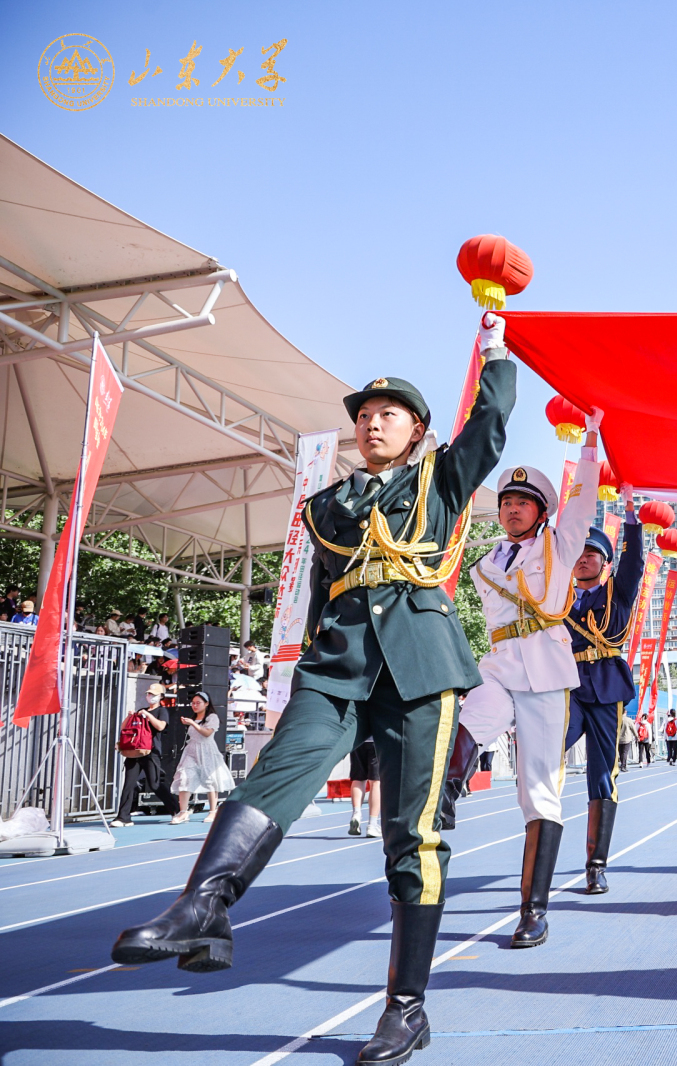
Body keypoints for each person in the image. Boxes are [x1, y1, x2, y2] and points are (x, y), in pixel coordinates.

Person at [113, 313, 516, 1066]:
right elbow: (320, 595)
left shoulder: (439, 480)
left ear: (418, 431)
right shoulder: (326, 506)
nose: (372, 423)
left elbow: (489, 426)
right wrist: (295, 674)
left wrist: (496, 348)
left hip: (421, 669)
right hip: (337, 667)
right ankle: (204, 907)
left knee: (413, 836)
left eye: (388, 414)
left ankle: (406, 1009)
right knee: (270, 778)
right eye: (364, 415)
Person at [437, 442, 598, 952]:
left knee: (538, 793)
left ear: (541, 511)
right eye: (507, 501)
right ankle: (443, 797)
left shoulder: (559, 546)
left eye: (522, 502)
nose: (511, 509)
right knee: (472, 716)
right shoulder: (484, 564)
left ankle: (534, 911)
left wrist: (590, 444)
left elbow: (583, 506)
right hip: (501, 665)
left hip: (546, 672)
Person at [562, 501, 647, 894]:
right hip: (567, 686)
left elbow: (634, 563)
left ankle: (596, 866)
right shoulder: (558, 597)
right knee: (545, 749)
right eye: (577, 554)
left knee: (601, 775)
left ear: (605, 562)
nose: (582, 560)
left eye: (591, 554)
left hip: (605, 689)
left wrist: (631, 520)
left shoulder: (618, 592)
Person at [111, 682, 180, 825]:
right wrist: (129, 717)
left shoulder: (161, 711)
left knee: (155, 784)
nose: (150, 696)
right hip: (135, 750)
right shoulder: (141, 710)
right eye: (149, 694)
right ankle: (123, 817)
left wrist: (148, 715)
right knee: (129, 784)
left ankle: (176, 810)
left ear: (161, 696)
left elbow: (161, 726)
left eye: (153, 694)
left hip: (151, 751)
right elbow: (124, 728)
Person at [170, 693, 235, 824]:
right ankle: (183, 812)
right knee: (184, 777)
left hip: (207, 750)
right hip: (191, 750)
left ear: (206, 703)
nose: (194, 705)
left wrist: (192, 723)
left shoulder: (212, 717)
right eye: (193, 703)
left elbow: (207, 733)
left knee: (210, 779)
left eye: (198, 703)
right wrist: (190, 722)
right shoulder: (194, 718)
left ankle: (212, 811)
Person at [347, 738, 382, 837]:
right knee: (375, 782)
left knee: (358, 779)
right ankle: (372, 825)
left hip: (358, 741)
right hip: (377, 741)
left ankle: (356, 814)